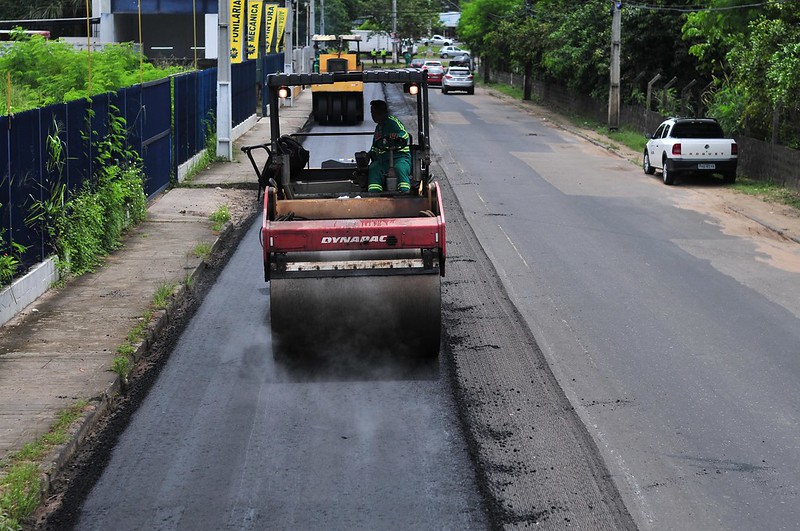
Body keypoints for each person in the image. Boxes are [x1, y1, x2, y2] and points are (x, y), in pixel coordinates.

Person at [367, 100, 411, 193]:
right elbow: (375, 147)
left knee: (400, 168)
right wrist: (368, 155)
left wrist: (397, 136)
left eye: (373, 112)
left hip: (400, 158)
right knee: (374, 169)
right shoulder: (379, 128)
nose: (372, 115)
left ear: (378, 112)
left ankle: (404, 193)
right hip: (383, 161)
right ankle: (374, 196)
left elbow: (404, 134)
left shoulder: (393, 122)